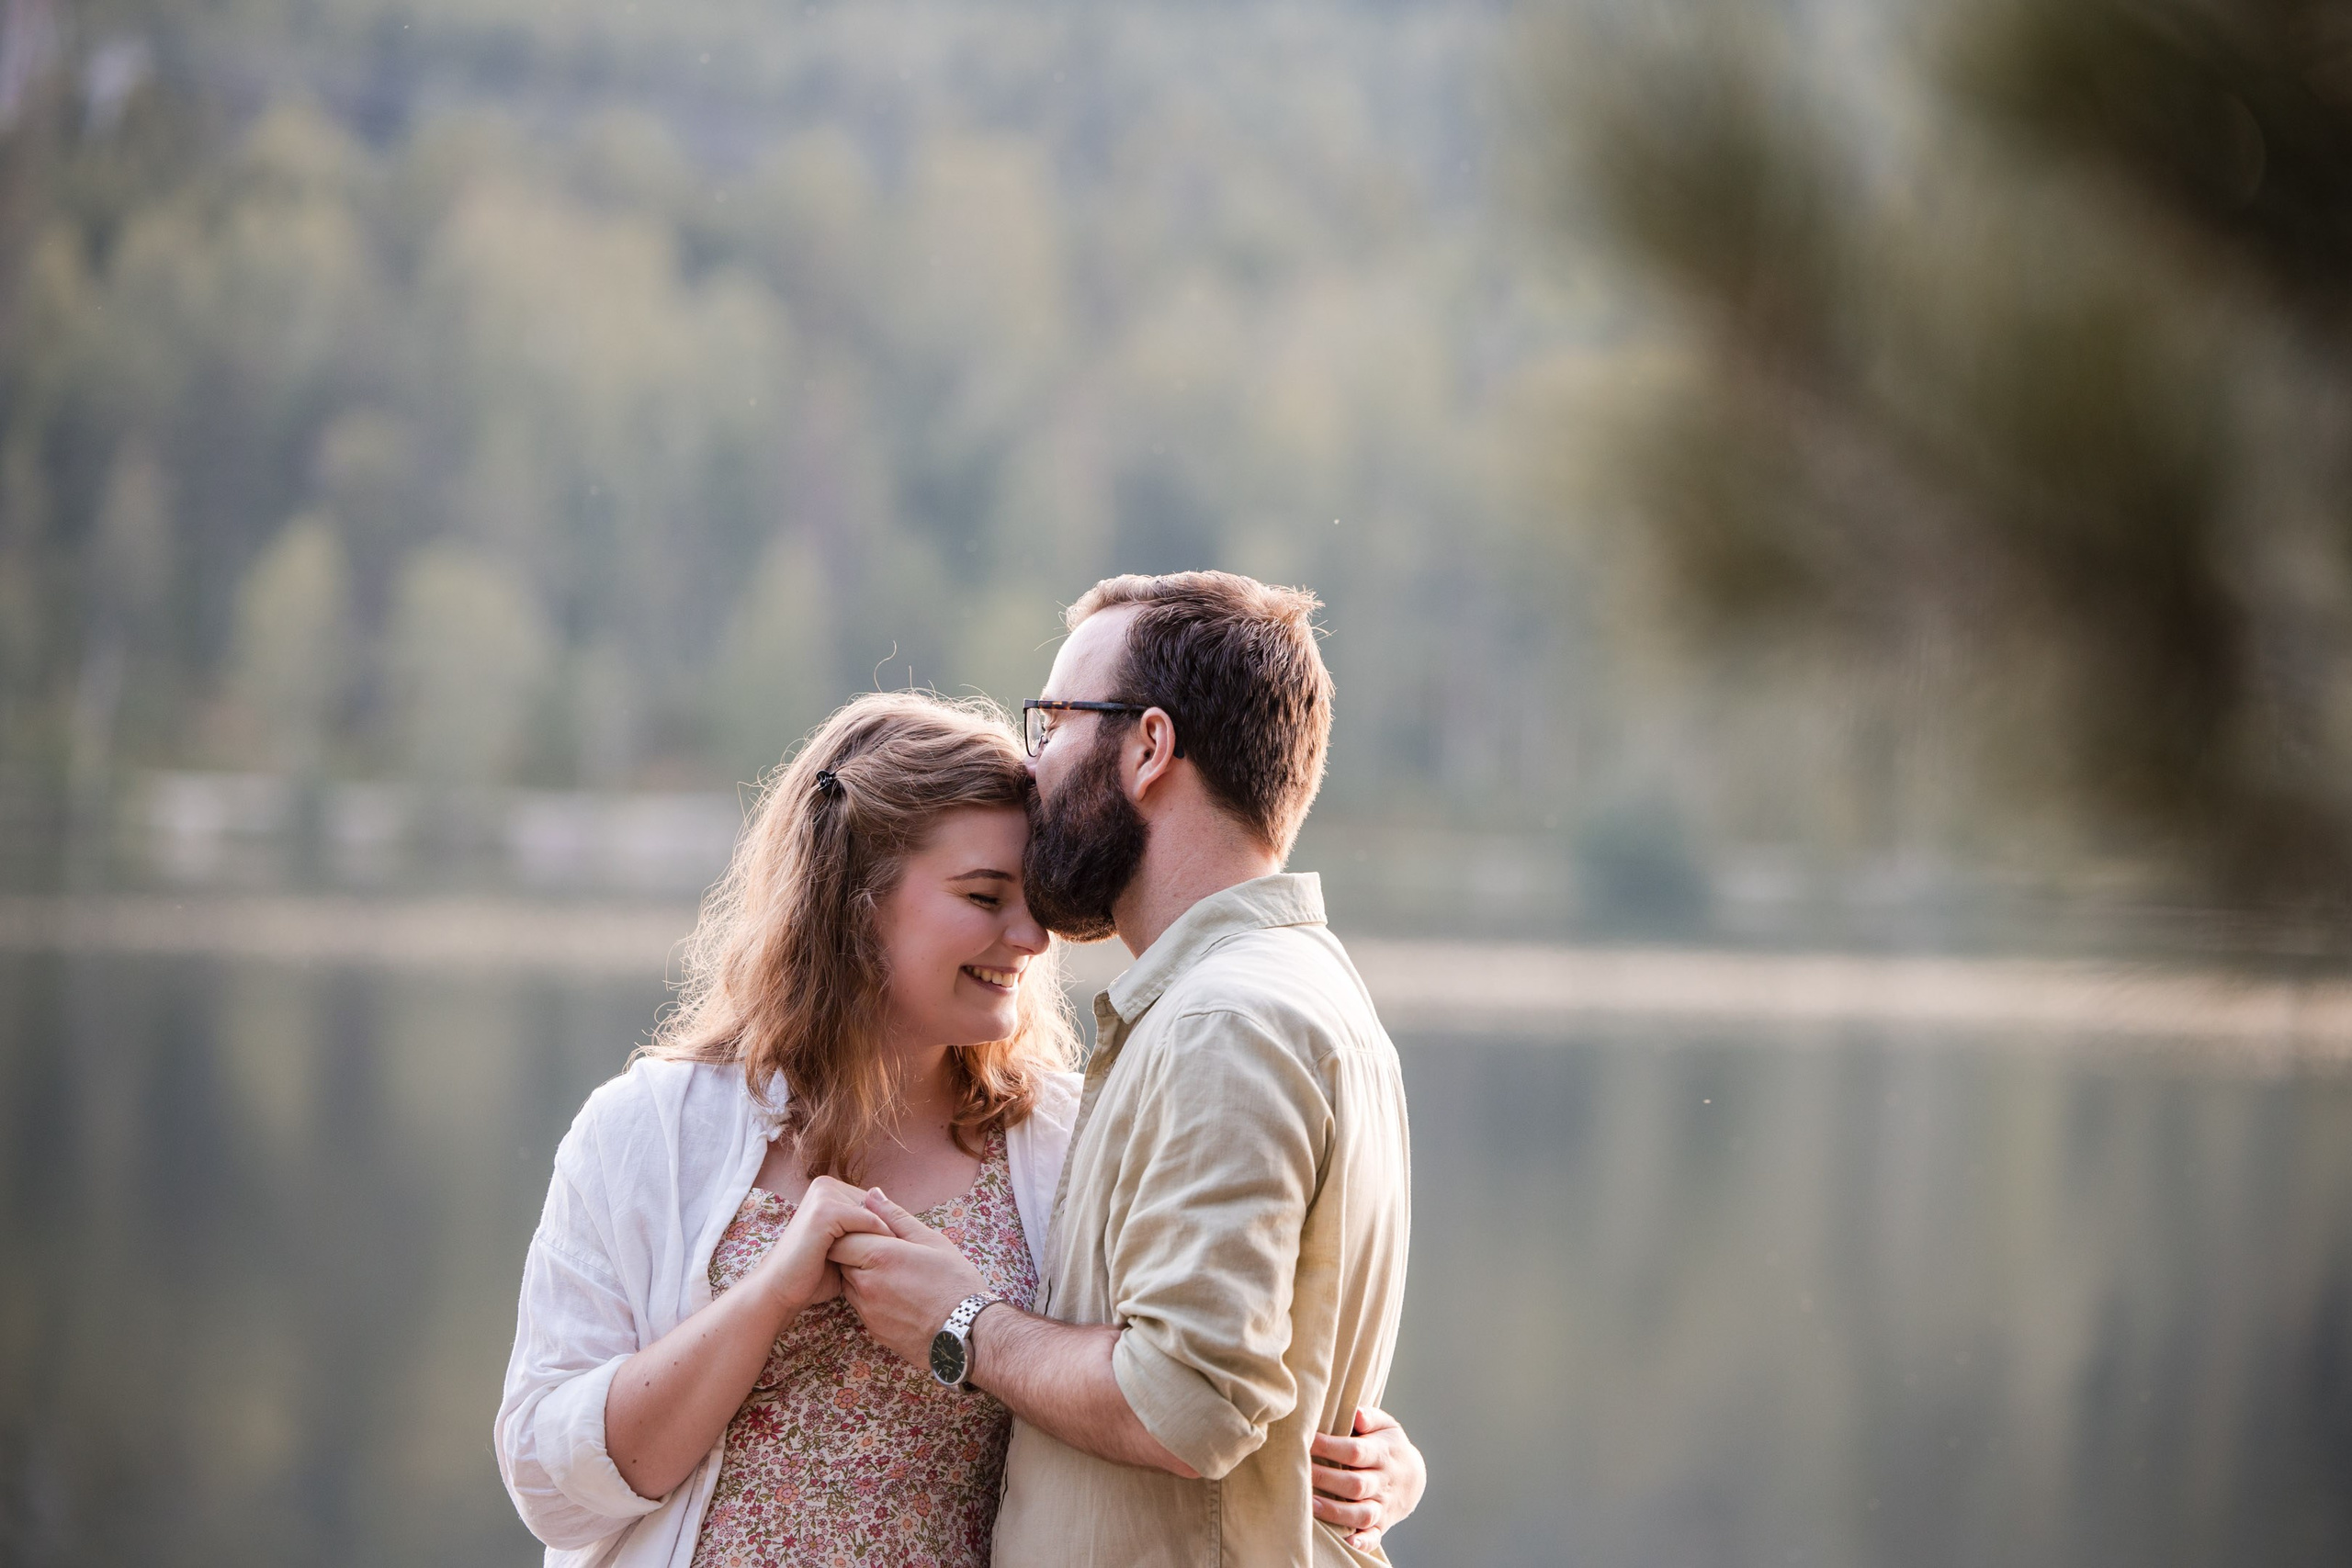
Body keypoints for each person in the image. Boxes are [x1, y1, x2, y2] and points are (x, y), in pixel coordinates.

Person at [493, 688, 1423, 1567]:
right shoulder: (649, 1132)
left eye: (1036, 900)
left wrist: (1383, 1465)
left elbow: (1192, 1377)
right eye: (984, 896)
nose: (1030, 939)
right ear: (851, 902)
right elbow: (550, 1482)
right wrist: (770, 1294)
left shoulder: (1067, 1138)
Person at [828, 572, 1417, 1566]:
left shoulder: (1224, 1022)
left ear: (1147, 747)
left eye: (1052, 721)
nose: (1032, 766)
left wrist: (960, 1322)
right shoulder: (1297, 992)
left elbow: (1186, 1404)